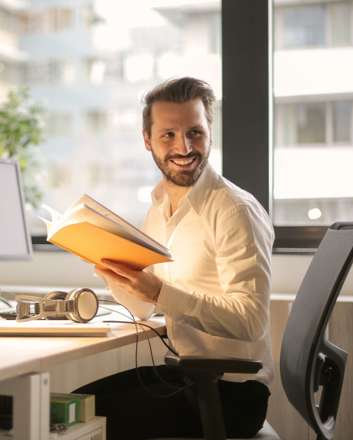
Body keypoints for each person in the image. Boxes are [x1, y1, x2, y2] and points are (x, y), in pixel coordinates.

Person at [76, 77, 275, 439]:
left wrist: (159, 292)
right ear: (147, 140)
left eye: (195, 132)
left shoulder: (235, 210)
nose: (184, 147)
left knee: (74, 423)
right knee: (71, 406)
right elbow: (144, 310)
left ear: (210, 132)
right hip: (189, 377)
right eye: (168, 134)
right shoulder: (159, 207)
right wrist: (112, 271)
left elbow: (250, 321)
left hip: (232, 394)